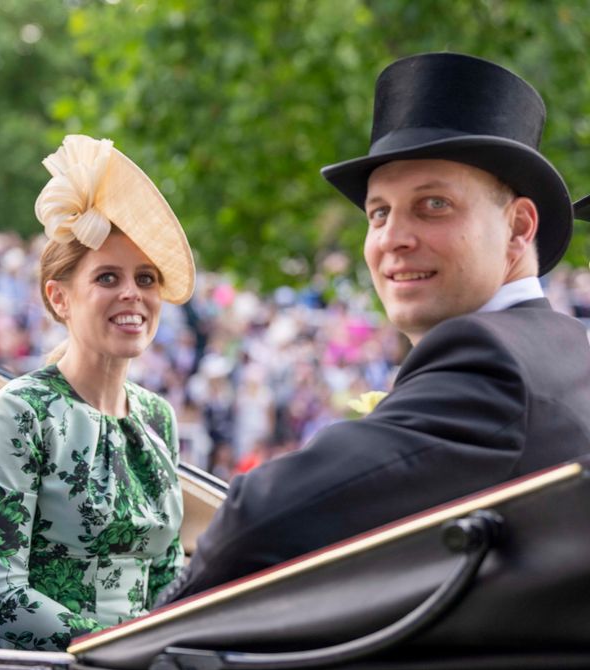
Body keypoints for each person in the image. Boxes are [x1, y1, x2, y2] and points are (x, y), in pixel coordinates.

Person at [158, 52, 590, 604]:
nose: (392, 238)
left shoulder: (494, 359)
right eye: (379, 213)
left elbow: (257, 520)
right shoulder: (563, 347)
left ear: (518, 226)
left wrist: (126, 636)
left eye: (433, 205)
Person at [0, 135, 195, 650]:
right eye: (108, 277)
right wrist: (122, 647)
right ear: (59, 297)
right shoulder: (19, 412)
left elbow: (166, 578)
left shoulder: (158, 417)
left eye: (147, 278)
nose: (133, 294)